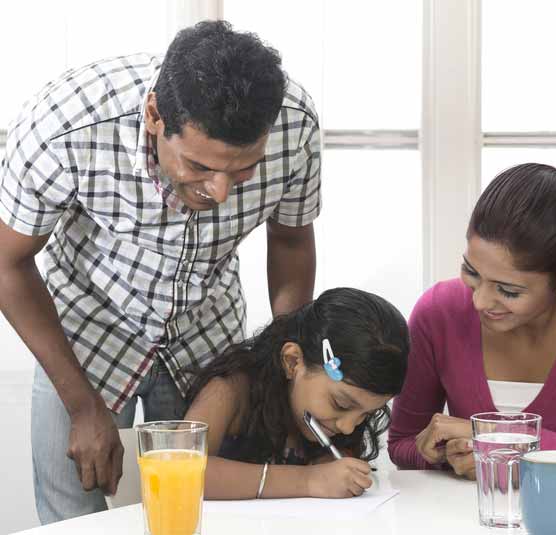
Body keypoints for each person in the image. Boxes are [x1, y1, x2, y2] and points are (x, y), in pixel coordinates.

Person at [0, 21, 320, 523]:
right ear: (154, 116)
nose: (220, 192)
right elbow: (7, 263)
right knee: (75, 518)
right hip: (84, 332)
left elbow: (291, 241)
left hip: (207, 328)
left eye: (243, 169)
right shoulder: (66, 128)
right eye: (199, 166)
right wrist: (82, 406)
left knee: (214, 513)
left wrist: (283, 375)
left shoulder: (295, 126)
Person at [388, 163, 556, 502]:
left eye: (508, 290)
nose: (479, 301)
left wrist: (505, 447)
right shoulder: (438, 312)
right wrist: (448, 453)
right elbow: (403, 445)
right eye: (471, 272)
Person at [184, 287, 409, 499]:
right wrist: (308, 480)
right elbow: (182, 470)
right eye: (340, 404)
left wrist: (338, 468)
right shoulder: (229, 391)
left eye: (366, 414)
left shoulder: (339, 421)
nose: (348, 427)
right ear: (293, 362)